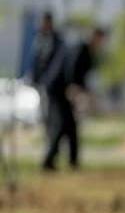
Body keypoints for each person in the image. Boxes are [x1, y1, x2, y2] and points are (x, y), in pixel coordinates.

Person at [39, 25, 106, 171]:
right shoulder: (80, 49)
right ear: (95, 37)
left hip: (64, 90)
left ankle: (70, 162)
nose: (102, 44)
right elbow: (71, 68)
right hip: (57, 89)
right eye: (101, 40)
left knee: (69, 126)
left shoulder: (88, 52)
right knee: (61, 124)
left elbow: (82, 77)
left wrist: (83, 91)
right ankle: (50, 161)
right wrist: (73, 87)